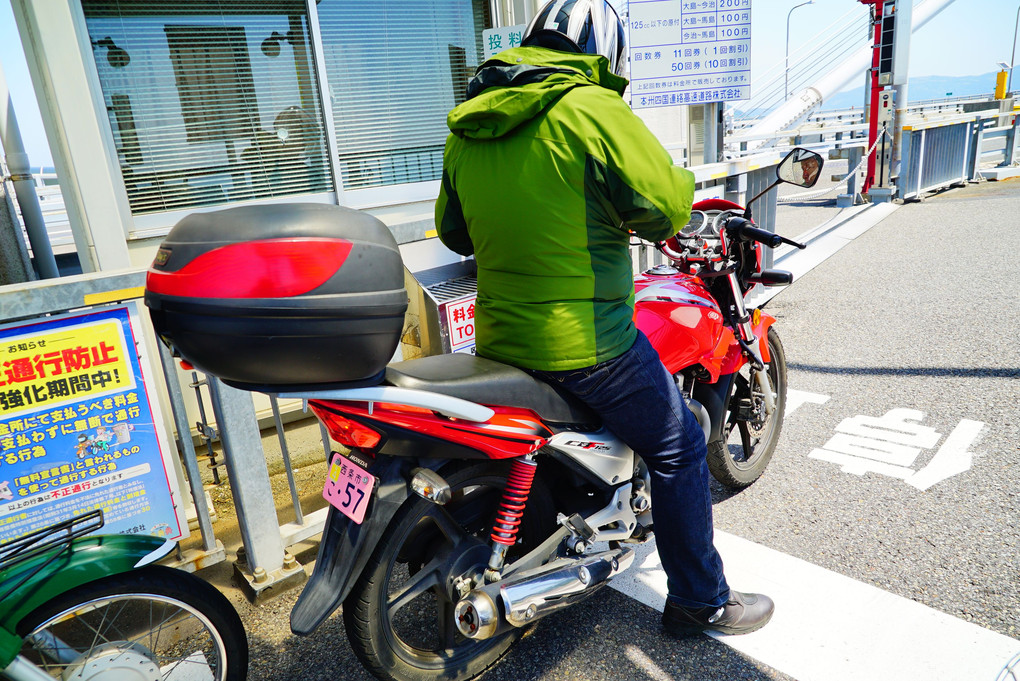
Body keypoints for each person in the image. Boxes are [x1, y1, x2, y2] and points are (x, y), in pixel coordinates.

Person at [435, 0, 773, 636]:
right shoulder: (592, 108)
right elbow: (667, 205)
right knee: (679, 446)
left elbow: (453, 232)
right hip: (585, 340)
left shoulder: (469, 123)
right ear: (605, 52)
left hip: (499, 338)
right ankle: (702, 599)